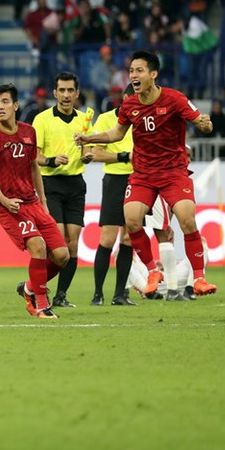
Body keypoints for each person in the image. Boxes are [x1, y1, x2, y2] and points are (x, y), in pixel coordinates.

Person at [76, 50, 217, 298]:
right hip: (143, 174)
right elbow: (116, 134)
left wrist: (205, 124)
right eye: (131, 71)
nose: (133, 75)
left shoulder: (174, 99)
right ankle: (153, 271)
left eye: (139, 70)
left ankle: (200, 279)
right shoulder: (129, 105)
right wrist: (90, 137)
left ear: (153, 74)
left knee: (187, 218)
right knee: (131, 219)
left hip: (173, 172)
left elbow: (199, 120)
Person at [0, 83, 68, 319]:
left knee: (62, 255)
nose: (0, 107)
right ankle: (41, 304)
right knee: (37, 246)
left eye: (5, 102)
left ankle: (29, 288)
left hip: (33, 203)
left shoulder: (29, 132)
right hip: (10, 207)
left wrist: (44, 200)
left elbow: (34, 167)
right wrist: (5, 201)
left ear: (16, 106)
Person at [31, 72, 94, 308]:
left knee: (73, 244)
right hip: (51, 185)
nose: (66, 95)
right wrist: (51, 160)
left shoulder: (84, 121)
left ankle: (61, 295)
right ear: (54, 93)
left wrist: (88, 156)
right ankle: (36, 287)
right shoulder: (42, 120)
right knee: (56, 244)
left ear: (77, 93)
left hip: (76, 184)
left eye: (70, 91)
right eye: (62, 90)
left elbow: (90, 152)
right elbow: (33, 157)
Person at [87, 83, 137, 306]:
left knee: (129, 238)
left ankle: (120, 294)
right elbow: (95, 153)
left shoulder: (144, 121)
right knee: (107, 237)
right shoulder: (106, 119)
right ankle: (98, 293)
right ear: (125, 98)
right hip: (115, 180)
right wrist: (125, 157)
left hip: (138, 182)